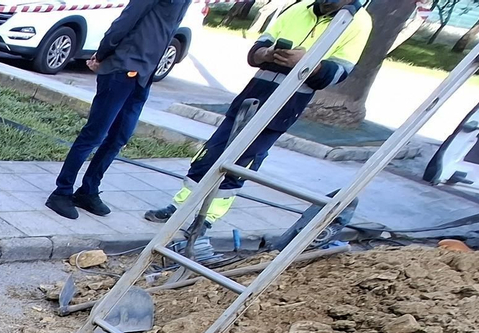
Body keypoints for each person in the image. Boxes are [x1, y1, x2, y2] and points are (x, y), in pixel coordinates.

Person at [144, 0, 371, 227]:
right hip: (252, 97)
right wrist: (266, 54)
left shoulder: (357, 23)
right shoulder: (299, 8)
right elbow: (256, 52)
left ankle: (206, 220)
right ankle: (179, 207)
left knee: (240, 165)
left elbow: (337, 74)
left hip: (285, 107)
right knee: (209, 154)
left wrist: (307, 63)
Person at [45, 0, 192, 219]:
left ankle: (88, 191)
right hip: (123, 67)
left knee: (118, 138)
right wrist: (102, 54)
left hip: (144, 75)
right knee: (94, 134)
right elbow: (126, 20)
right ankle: (61, 192)